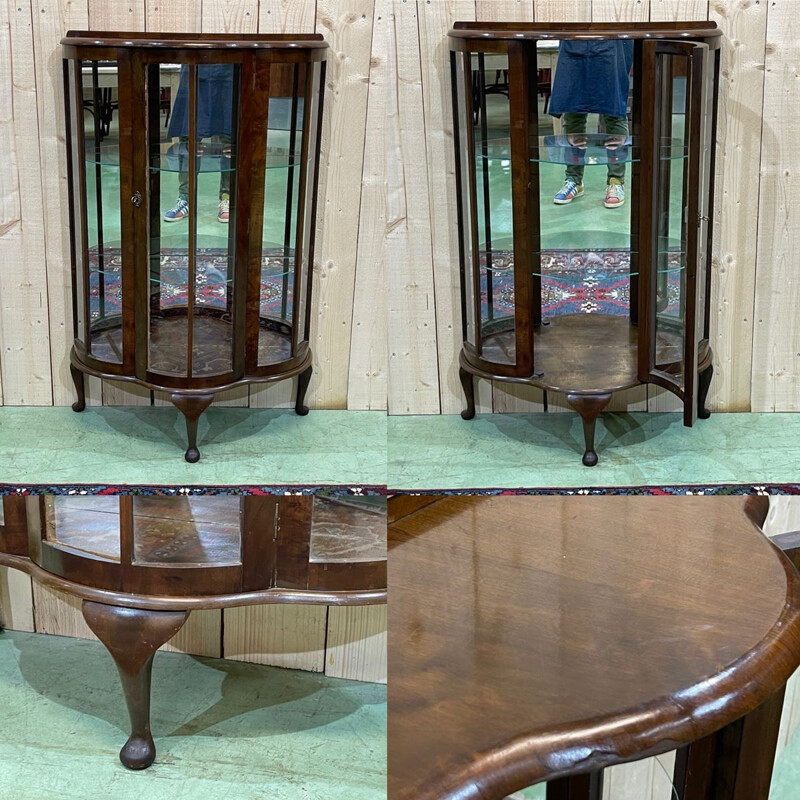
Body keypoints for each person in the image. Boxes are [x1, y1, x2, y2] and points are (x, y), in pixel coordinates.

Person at [548, 39, 634, 208]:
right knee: (573, 109)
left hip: (613, 35)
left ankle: (616, 181)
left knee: (614, 109)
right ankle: (573, 179)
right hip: (575, 35)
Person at [163, 64, 234, 224]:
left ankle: (228, 197)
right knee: (188, 131)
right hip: (195, 62)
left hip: (228, 61)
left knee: (229, 131)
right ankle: (185, 198)